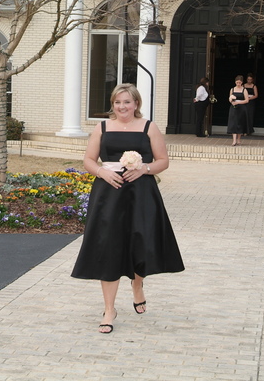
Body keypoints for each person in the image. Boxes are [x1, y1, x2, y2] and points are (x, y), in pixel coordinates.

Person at [71, 83, 185, 334]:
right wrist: (102, 172)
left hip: (141, 194)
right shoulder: (102, 128)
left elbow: (163, 161)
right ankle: (109, 310)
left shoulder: (148, 127)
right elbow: (88, 160)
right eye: (117, 102)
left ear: (136, 104)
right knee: (108, 247)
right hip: (108, 194)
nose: (122, 107)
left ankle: (137, 285)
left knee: (140, 243)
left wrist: (144, 169)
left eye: (127, 102)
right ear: (113, 105)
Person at [226, 75, 249, 146]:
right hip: (233, 108)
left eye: (239, 82)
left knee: (240, 123)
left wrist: (238, 102)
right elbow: (230, 98)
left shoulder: (244, 90)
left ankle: (239, 139)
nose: (238, 84)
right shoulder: (232, 89)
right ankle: (234, 140)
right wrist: (231, 101)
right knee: (233, 123)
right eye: (237, 82)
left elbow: (247, 100)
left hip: (241, 108)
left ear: (242, 82)